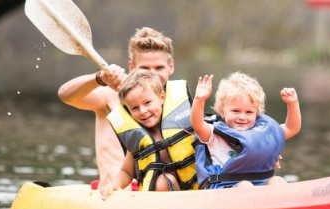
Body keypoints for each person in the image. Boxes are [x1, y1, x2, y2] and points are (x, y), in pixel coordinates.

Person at [57, 27, 183, 190]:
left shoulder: (180, 105)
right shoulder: (111, 95)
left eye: (159, 68)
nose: (153, 74)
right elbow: (66, 95)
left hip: (164, 191)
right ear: (131, 67)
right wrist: (98, 79)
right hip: (120, 191)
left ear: (170, 66)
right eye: (144, 69)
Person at [190, 72, 301, 189]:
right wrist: (199, 99)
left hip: (260, 183)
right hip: (226, 187)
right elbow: (198, 125)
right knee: (245, 185)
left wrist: (292, 103)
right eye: (235, 111)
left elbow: (291, 128)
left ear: (257, 114)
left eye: (249, 112)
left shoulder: (263, 136)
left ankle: (283, 205)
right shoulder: (214, 135)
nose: (242, 117)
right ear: (222, 111)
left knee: (277, 180)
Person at [100, 69, 197, 199]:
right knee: (163, 182)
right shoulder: (138, 138)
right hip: (162, 197)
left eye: (147, 103)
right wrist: (115, 185)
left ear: (161, 98)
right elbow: (126, 172)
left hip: (197, 192)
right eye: (134, 108)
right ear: (128, 110)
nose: (143, 111)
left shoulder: (184, 123)